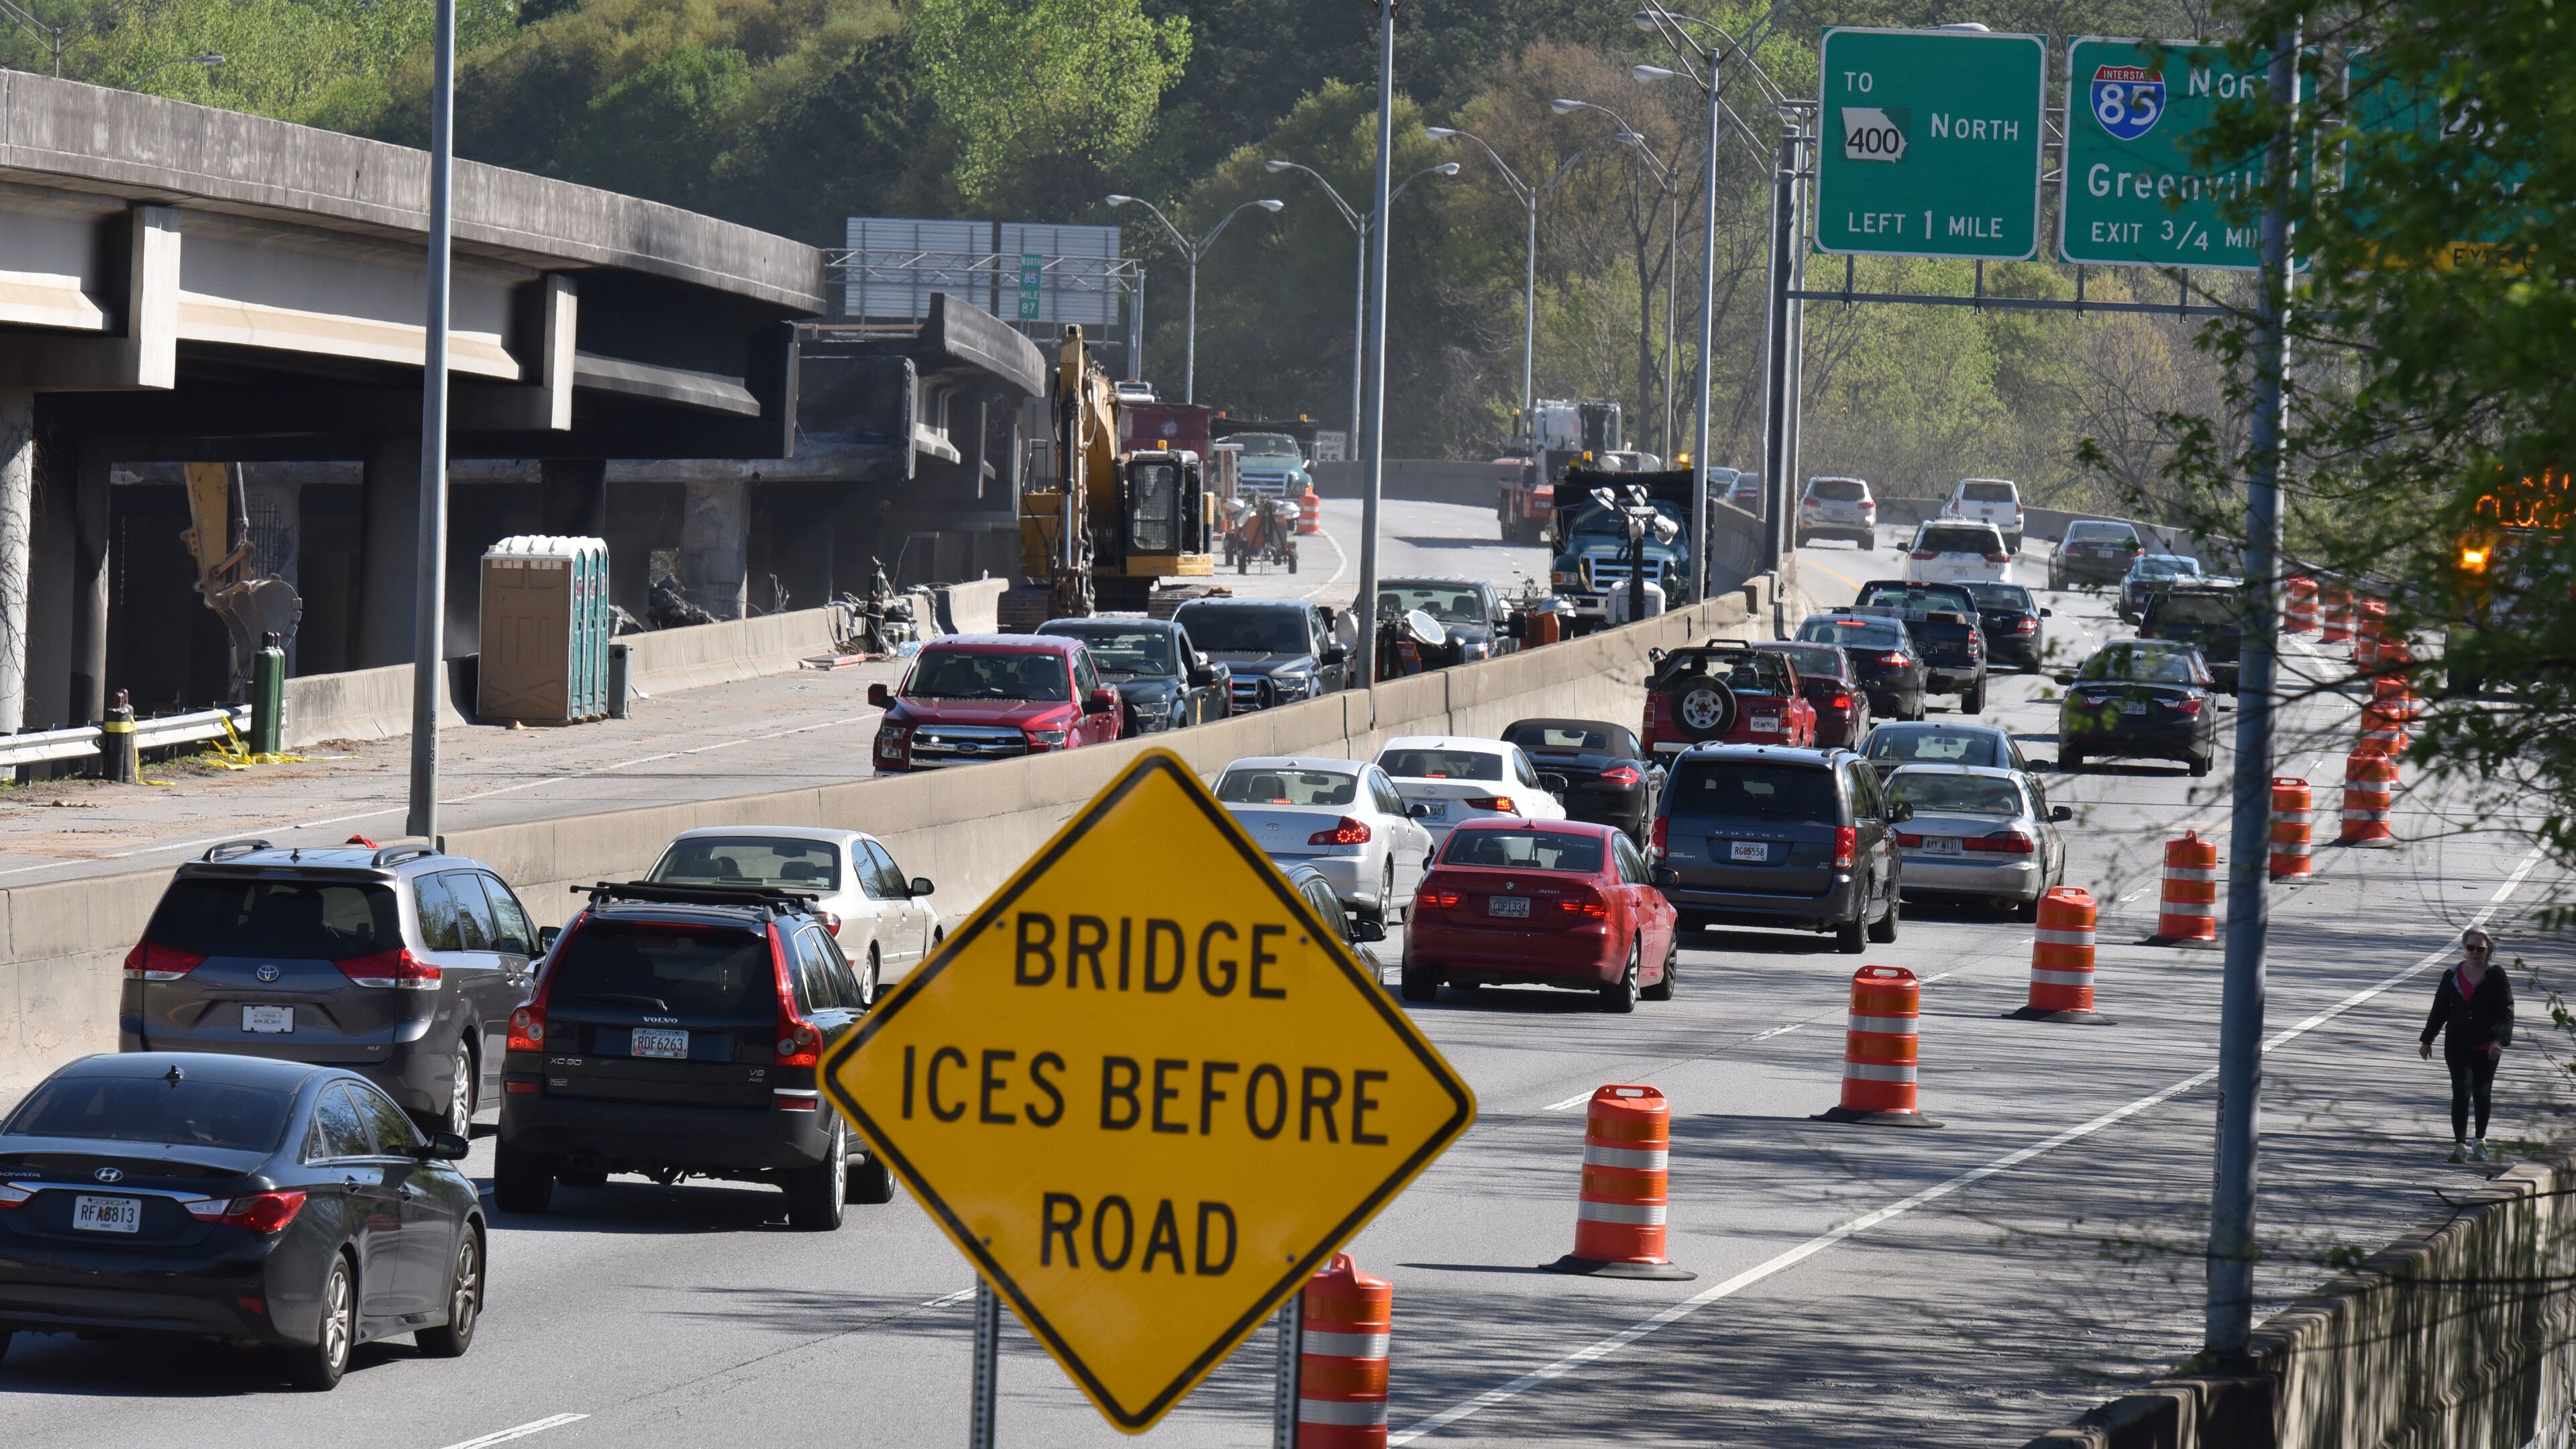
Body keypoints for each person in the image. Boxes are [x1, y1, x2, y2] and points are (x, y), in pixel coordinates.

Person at [2420, 928, 2514, 1162]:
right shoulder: (2452, 975)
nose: (2475, 953)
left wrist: (2499, 1040)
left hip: (2487, 1045)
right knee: (2462, 1092)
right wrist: (2427, 1039)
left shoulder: (2496, 975)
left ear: (2488, 950)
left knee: (2482, 1093)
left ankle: (2480, 1140)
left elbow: (2507, 1011)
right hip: (2457, 1043)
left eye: (2480, 949)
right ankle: (2460, 1145)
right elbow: (2440, 1009)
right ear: (2464, 948)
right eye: (2470, 948)